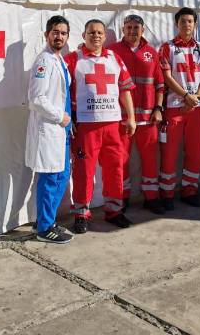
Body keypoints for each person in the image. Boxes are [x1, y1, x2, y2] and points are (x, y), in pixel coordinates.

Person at [65, 19, 137, 233]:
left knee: (115, 168)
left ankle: (114, 210)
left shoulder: (114, 58)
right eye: (91, 32)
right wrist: (68, 120)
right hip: (86, 126)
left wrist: (131, 117)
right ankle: (81, 213)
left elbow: (125, 90)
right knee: (84, 171)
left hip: (113, 124)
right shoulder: (72, 59)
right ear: (84, 35)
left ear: (105, 37)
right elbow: (62, 92)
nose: (95, 36)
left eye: (99, 32)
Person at [108, 14, 166, 215]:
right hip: (122, 117)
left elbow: (160, 83)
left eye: (136, 27)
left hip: (149, 118)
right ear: (123, 29)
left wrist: (158, 108)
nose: (132, 31)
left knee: (150, 159)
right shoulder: (112, 51)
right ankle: (121, 198)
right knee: (121, 160)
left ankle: (151, 198)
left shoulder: (152, 52)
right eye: (129, 27)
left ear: (143, 30)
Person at [25, 15, 75, 243]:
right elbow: (36, 98)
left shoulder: (59, 60)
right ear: (47, 34)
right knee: (51, 177)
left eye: (63, 33)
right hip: (51, 127)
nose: (59, 36)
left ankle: (48, 220)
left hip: (62, 129)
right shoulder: (44, 61)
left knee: (62, 175)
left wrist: (67, 122)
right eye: (55, 32)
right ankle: (44, 228)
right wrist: (60, 117)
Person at [158, 7, 200, 209]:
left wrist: (197, 96)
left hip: (197, 108)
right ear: (176, 23)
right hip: (175, 107)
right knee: (170, 152)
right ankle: (166, 194)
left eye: (190, 21)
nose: (186, 24)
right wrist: (185, 96)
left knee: (195, 152)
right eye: (183, 21)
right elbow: (166, 77)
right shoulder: (167, 47)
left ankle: (190, 191)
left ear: (195, 24)